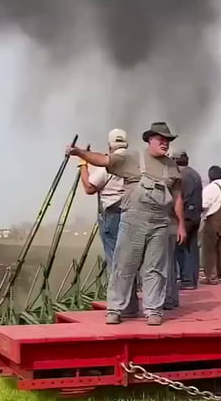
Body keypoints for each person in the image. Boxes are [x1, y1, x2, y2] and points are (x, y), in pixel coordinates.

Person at [66, 122, 186, 326]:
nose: (165, 143)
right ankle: (115, 309)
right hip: (133, 220)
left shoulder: (172, 167)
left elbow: (176, 198)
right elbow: (103, 160)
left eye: (168, 140)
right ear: (150, 140)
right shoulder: (132, 157)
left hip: (160, 223)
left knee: (155, 268)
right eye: (161, 139)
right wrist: (79, 153)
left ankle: (153, 310)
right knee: (123, 265)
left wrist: (181, 224)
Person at [78, 128, 139, 316]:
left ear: (109, 145)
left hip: (112, 216)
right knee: (130, 261)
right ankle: (131, 305)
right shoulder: (135, 163)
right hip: (132, 214)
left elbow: (89, 188)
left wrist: (82, 165)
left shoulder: (107, 165)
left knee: (115, 262)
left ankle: (118, 307)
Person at [172, 149, 202, 289]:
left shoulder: (180, 175)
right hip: (196, 215)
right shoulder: (195, 174)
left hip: (186, 216)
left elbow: (180, 197)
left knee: (180, 247)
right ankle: (193, 278)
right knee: (192, 247)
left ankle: (186, 279)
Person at [201, 165, 221, 284]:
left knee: (210, 250)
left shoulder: (210, 188)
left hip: (213, 221)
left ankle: (212, 277)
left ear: (210, 176)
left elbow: (203, 204)